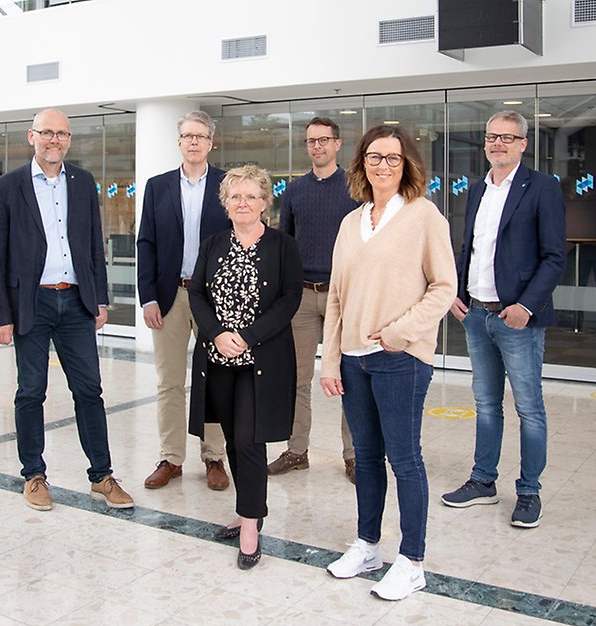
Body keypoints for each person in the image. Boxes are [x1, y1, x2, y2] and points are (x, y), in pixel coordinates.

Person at [320, 125, 456, 600]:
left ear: (407, 165)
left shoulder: (424, 216)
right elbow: (336, 298)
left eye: (392, 158)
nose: (382, 165)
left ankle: (413, 561)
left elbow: (444, 287)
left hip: (400, 359)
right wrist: (330, 360)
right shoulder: (349, 223)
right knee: (366, 457)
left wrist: (400, 332)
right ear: (361, 164)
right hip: (353, 361)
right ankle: (368, 545)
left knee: (405, 459)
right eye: (374, 157)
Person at [0, 108, 134, 511]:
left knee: (89, 390)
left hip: (76, 302)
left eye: (62, 134)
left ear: (69, 140)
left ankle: (102, 477)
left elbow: (93, 245)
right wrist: (0, 315)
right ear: (31, 137)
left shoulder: (83, 182)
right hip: (29, 302)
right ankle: (34, 475)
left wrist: (99, 298)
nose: (55, 140)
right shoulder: (7, 187)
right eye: (47, 133)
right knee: (31, 391)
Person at [441, 111, 566, 529]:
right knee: (485, 405)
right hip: (476, 314)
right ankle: (483, 481)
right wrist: (456, 293)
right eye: (492, 137)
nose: (498, 143)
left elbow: (554, 256)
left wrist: (527, 306)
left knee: (529, 408)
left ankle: (529, 492)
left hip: (518, 320)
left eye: (507, 138)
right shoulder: (477, 189)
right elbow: (469, 248)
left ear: (523, 144)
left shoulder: (542, 187)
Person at [188, 165, 303, 570]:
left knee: (252, 441)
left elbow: (289, 300)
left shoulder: (283, 245)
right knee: (235, 440)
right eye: (236, 196)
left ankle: (251, 527)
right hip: (217, 359)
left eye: (252, 196)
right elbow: (197, 294)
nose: (243, 203)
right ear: (225, 203)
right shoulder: (213, 243)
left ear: (265, 202)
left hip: (261, 359)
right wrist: (218, 333)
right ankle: (246, 509)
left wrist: (247, 337)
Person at [136, 110, 230, 492]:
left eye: (200, 136)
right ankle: (171, 457)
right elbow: (146, 243)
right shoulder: (157, 186)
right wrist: (148, 298)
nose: (193, 142)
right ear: (179, 142)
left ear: (211, 143)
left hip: (214, 298)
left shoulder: (226, 185)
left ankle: (214, 457)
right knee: (169, 381)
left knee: (216, 380)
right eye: (187, 136)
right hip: (170, 295)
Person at [268, 116, 359, 483]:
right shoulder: (294, 190)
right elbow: (284, 243)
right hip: (303, 297)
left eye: (324, 140)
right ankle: (296, 450)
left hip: (344, 295)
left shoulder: (355, 187)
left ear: (338, 144)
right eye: (311, 141)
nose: (317, 146)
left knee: (350, 378)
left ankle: (354, 456)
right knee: (297, 378)